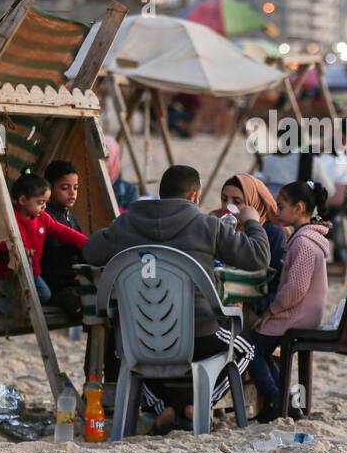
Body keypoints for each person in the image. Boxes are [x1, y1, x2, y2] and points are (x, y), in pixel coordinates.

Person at [83, 164, 270, 430]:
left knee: (126, 349)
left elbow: (90, 252)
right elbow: (258, 258)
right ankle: (198, 406)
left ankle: (168, 408)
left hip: (140, 337)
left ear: (162, 193)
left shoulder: (127, 224)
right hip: (199, 334)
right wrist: (251, 221)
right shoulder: (208, 226)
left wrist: (115, 230)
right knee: (246, 351)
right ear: (195, 196)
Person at [247, 179, 331, 424]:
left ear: (299, 208)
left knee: (252, 348)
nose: (278, 211)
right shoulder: (307, 238)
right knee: (260, 347)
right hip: (302, 312)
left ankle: (276, 399)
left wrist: (271, 311)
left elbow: (294, 289)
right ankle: (284, 399)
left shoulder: (304, 243)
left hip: (297, 315)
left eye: (281, 206)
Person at [0, 170, 88, 316]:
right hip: (9, 275)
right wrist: (16, 249)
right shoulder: (9, 220)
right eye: (40, 202)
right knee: (26, 306)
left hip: (32, 273)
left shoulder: (42, 218)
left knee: (44, 297)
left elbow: (64, 232)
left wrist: (86, 243)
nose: (44, 207)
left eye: (46, 202)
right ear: (22, 200)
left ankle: (1, 301)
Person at [213, 173, 287, 309]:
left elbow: (278, 284)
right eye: (224, 199)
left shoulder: (273, 234)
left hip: (256, 310)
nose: (228, 207)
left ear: (253, 203)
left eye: (237, 202)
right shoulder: (216, 223)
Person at [38, 160, 89, 322]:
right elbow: (51, 256)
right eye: (65, 188)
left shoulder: (70, 218)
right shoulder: (46, 218)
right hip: (56, 286)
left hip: (73, 281)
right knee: (88, 308)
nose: (72, 193)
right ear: (50, 189)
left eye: (75, 188)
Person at [104, 135, 138, 209]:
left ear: (114, 159)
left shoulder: (128, 191)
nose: (102, 163)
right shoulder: (85, 188)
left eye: (106, 158)